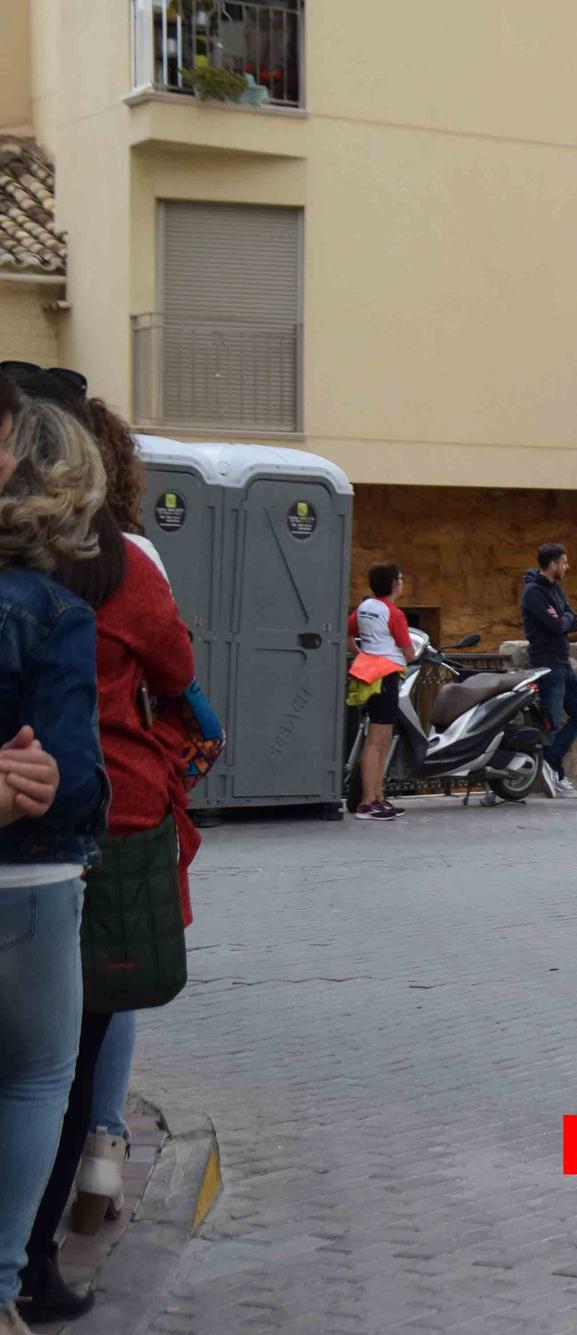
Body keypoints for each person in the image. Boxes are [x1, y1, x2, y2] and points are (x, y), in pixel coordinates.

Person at [6, 378, 197, 1320]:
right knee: (68, 1053)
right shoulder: (124, 567)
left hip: (65, 826)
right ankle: (47, 1239)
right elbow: (178, 666)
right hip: (98, 833)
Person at [0, 388, 110, 1331]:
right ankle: (1, 1289)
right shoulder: (53, 612)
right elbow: (70, 783)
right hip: (33, 887)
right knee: (37, 1080)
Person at [347, 563, 413, 821]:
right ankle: (367, 802)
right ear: (395, 584)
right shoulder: (394, 614)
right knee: (377, 741)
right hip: (386, 676)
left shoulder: (365, 608)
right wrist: (412, 655)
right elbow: (409, 651)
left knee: (378, 740)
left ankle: (377, 797)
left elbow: (347, 634)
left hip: (368, 675)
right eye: (401, 578)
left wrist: (362, 655)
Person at [522, 543, 577, 798]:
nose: (567, 567)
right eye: (564, 562)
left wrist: (564, 618)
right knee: (553, 723)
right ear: (553, 564)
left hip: (563, 663)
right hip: (547, 665)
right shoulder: (533, 593)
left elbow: (573, 619)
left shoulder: (556, 589)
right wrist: (563, 620)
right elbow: (555, 625)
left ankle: (549, 765)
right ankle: (554, 773)